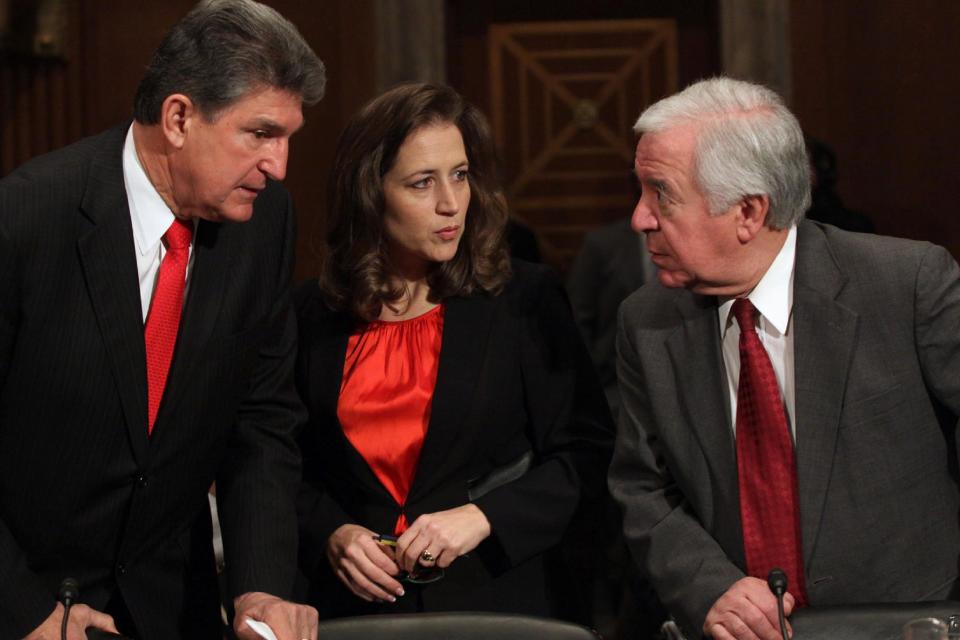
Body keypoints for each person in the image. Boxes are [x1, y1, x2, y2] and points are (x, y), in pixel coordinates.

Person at [0, 1, 326, 638]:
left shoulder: (264, 224)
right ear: (178, 117)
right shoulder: (25, 219)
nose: (279, 165)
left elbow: (263, 420)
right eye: (260, 134)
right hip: (30, 602)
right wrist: (24, 611)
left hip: (173, 608)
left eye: (288, 139)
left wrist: (259, 586)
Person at [608, 77, 960, 640]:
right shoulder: (646, 320)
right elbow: (642, 487)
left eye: (661, 193)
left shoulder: (906, 285)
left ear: (748, 212)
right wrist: (709, 587)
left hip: (904, 624)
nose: (640, 218)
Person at [294, 82, 614, 619]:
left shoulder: (522, 299)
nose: (450, 204)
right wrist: (332, 531)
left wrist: (483, 516)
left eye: (460, 176)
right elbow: (277, 469)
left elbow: (588, 455)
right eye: (422, 183)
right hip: (359, 614)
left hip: (499, 604)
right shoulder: (309, 315)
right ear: (370, 193)